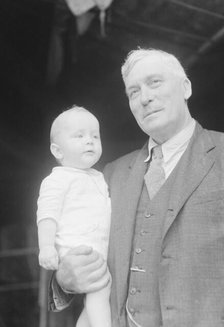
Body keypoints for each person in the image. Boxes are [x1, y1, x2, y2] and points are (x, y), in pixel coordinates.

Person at [49, 48, 224, 327]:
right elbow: (73, 239)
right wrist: (64, 279)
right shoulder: (109, 175)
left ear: (186, 87)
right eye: (133, 92)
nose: (145, 97)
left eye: (155, 82)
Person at [37, 106, 111, 327]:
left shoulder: (98, 176)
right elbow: (47, 214)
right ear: (58, 151)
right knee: (100, 290)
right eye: (79, 136)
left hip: (98, 248)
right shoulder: (57, 179)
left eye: (95, 136)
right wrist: (47, 246)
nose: (89, 141)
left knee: (101, 294)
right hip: (79, 250)